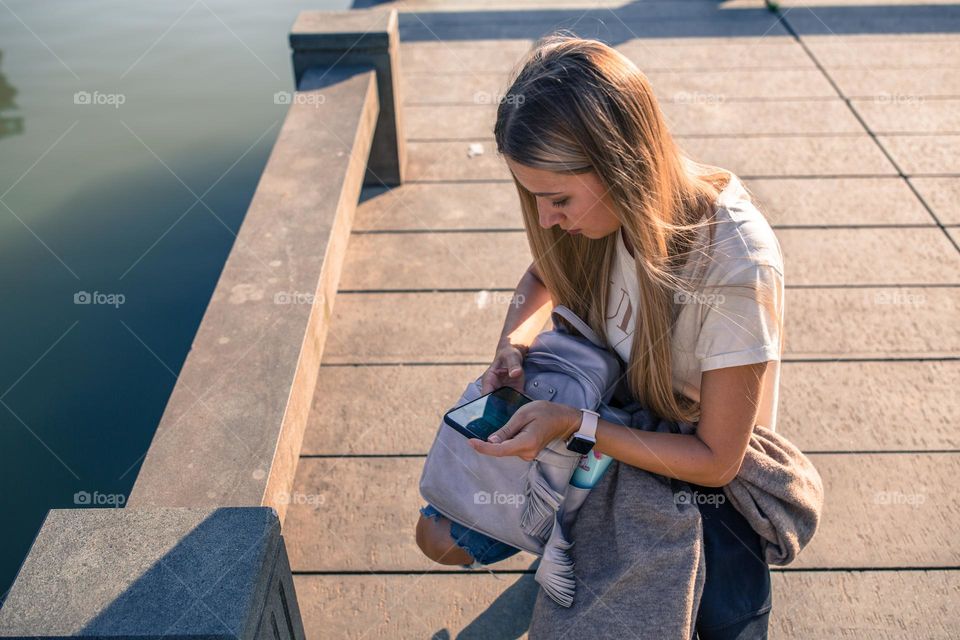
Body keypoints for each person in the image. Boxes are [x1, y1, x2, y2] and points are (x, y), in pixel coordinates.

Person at [416, 32, 783, 639]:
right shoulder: (601, 215)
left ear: (621, 169)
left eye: (557, 199)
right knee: (435, 537)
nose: (544, 219)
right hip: (598, 417)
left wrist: (575, 427)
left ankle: (566, 529)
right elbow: (543, 272)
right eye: (534, 199)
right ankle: (563, 524)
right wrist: (514, 341)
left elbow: (719, 461)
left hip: (684, 460)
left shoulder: (735, 263)